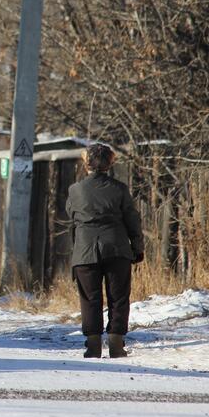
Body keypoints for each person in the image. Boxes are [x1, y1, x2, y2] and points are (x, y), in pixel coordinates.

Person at [65, 143, 144, 359]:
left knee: (90, 298)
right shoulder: (119, 189)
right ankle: (116, 343)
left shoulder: (75, 190)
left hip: (85, 251)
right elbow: (132, 219)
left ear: (86, 163)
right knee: (118, 297)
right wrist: (137, 247)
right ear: (111, 162)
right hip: (117, 248)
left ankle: (93, 345)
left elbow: (71, 214)